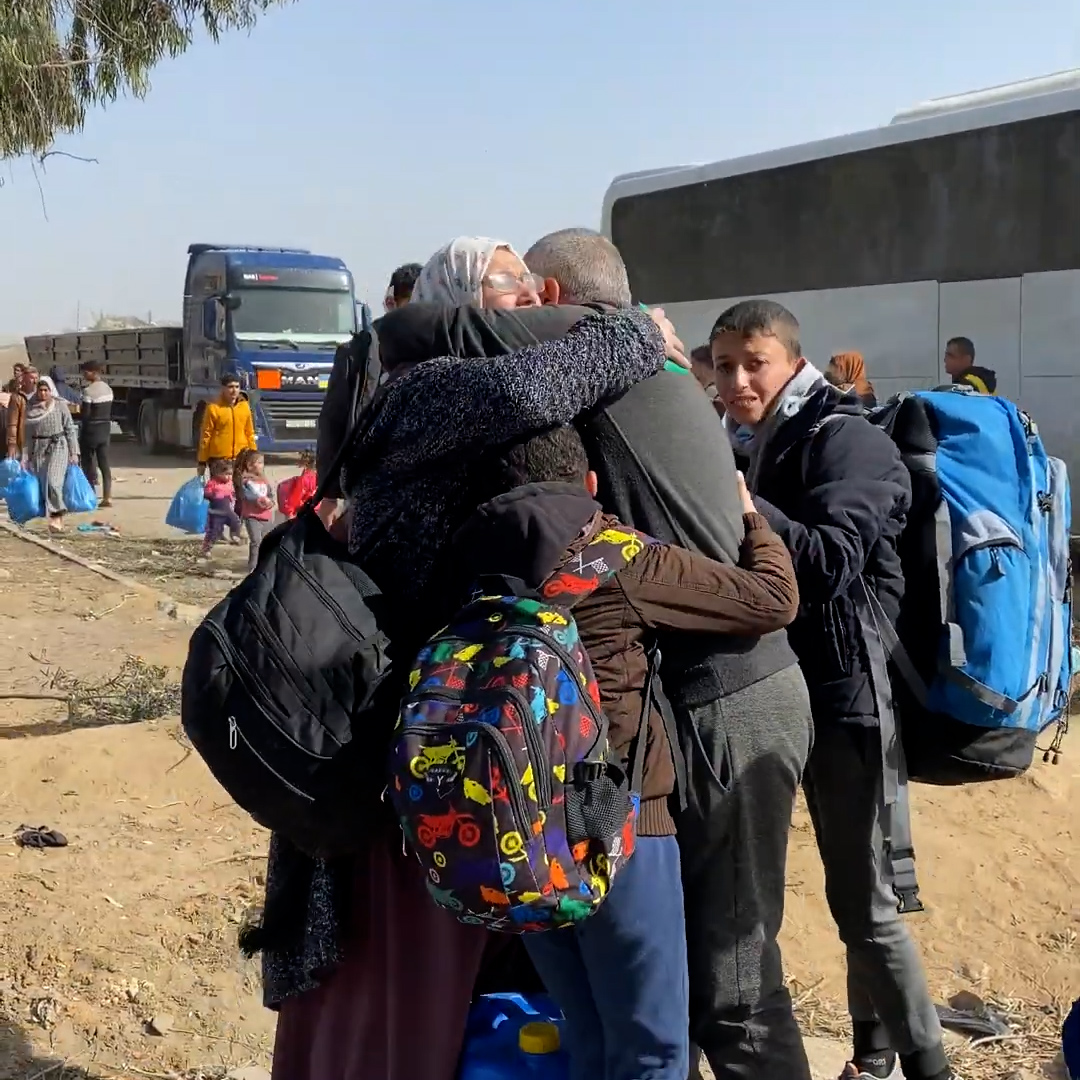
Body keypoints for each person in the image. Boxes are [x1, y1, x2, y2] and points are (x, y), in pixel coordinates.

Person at [265, 253, 684, 1080]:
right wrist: (638, 332)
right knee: (403, 985)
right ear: (459, 308)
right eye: (507, 286)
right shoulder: (429, 388)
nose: (531, 301)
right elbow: (526, 391)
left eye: (534, 287)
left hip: (449, 735)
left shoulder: (430, 399)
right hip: (425, 743)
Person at [524, 228, 815, 1080]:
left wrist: (755, 516)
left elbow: (769, 598)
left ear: (550, 300)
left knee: (732, 986)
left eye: (514, 291)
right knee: (697, 986)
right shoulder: (654, 370)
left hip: (730, 694)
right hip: (711, 688)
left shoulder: (605, 365)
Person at [448, 423, 800, 1080]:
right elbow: (771, 600)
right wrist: (752, 520)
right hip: (617, 827)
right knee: (652, 1047)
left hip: (511, 832)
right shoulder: (615, 556)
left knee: (587, 1032)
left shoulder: (462, 562)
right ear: (588, 487)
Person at [713, 299, 952, 1080]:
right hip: (790, 690)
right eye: (724, 366)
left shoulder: (844, 438)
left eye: (755, 363)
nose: (739, 381)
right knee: (848, 899)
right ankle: (872, 1056)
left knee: (865, 906)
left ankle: (929, 1066)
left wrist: (746, 507)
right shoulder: (752, 440)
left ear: (791, 359)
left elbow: (827, 561)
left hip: (849, 696)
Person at [24, 375, 79, 533]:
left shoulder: (60, 405)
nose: (42, 393)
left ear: (50, 390)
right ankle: (55, 519)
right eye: (40, 390)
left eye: (45, 390)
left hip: (58, 446)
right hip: (39, 448)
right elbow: (27, 435)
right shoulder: (31, 408)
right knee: (43, 484)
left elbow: (69, 429)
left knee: (54, 482)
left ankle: (56, 518)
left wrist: (74, 452)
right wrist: (25, 456)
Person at [197, 372, 256, 476]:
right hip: (219, 461)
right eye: (230, 387)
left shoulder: (244, 407)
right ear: (223, 389)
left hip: (240, 458)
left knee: (240, 491)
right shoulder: (213, 408)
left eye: (237, 387)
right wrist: (202, 461)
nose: (234, 391)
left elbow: (249, 433)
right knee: (220, 491)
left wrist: (254, 456)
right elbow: (206, 436)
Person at [78, 360, 114, 507]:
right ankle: (107, 497)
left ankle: (91, 495)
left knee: (88, 463)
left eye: (86, 372)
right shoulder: (108, 389)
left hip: (91, 431)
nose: (84, 375)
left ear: (94, 372)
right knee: (104, 463)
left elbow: (85, 414)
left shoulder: (88, 391)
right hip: (105, 430)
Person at [235, 449, 275, 572]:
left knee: (267, 542)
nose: (259, 465)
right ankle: (253, 567)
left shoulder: (264, 480)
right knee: (256, 541)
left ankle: (265, 565)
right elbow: (246, 496)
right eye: (256, 463)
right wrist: (259, 501)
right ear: (249, 465)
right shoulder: (246, 481)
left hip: (266, 516)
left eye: (261, 462)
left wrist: (271, 502)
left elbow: (270, 494)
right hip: (252, 516)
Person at [199, 458, 243, 557]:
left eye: (230, 474)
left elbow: (232, 493)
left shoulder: (229, 483)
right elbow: (205, 494)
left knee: (236, 521)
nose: (229, 477)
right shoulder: (212, 483)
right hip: (216, 513)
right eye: (226, 474)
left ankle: (234, 534)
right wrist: (213, 495)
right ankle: (206, 549)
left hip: (227, 511)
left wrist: (233, 498)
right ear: (217, 473)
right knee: (213, 532)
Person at [6, 364, 39, 462]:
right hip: (24, 439)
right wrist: (12, 444)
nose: (35, 381)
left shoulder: (41, 395)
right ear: (24, 379)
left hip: (40, 439)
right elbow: (12, 423)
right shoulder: (17, 397)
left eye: (36, 378)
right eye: (31, 378)